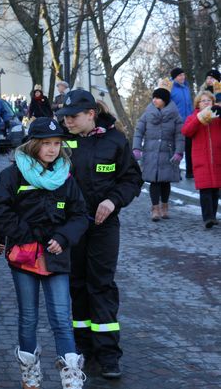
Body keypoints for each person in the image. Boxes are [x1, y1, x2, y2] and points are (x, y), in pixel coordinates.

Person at [0, 117, 89, 389]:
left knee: (61, 317)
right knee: (28, 316)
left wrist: (63, 237)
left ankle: (71, 376)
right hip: (25, 256)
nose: (53, 149)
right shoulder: (13, 175)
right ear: (34, 145)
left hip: (57, 255)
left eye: (57, 143)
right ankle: (29, 373)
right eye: (46, 143)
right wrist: (24, 233)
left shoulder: (66, 176)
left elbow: (80, 214)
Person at [57, 90, 143, 379]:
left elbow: (132, 178)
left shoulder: (115, 140)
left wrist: (113, 200)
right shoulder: (60, 140)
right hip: (73, 226)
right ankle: (82, 346)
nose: (67, 121)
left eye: (73, 117)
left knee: (101, 285)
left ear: (91, 114)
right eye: (64, 117)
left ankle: (108, 353)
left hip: (104, 227)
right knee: (77, 284)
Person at [132, 80, 184, 221]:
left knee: (165, 182)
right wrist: (137, 148)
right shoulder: (147, 113)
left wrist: (179, 152)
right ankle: (155, 208)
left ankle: (165, 206)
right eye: (153, 97)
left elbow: (180, 135)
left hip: (167, 153)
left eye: (158, 98)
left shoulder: (175, 115)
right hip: (151, 152)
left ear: (165, 100)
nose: (154, 100)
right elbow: (138, 131)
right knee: (153, 181)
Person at [181, 90, 221, 228]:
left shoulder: (217, 116)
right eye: (203, 101)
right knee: (205, 190)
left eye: (209, 100)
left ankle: (213, 216)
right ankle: (207, 218)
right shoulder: (193, 117)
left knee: (215, 190)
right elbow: (186, 131)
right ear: (198, 103)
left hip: (217, 158)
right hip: (201, 159)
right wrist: (199, 118)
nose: (206, 103)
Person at [170, 67, 194, 178]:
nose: (183, 77)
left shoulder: (186, 88)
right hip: (176, 123)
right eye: (180, 75)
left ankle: (190, 171)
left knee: (190, 148)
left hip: (188, 123)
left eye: (183, 75)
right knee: (177, 148)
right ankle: (175, 172)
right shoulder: (170, 88)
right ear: (174, 77)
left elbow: (189, 106)